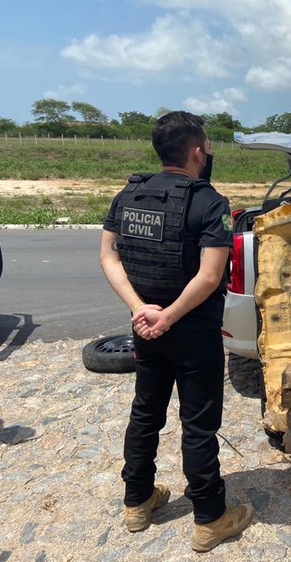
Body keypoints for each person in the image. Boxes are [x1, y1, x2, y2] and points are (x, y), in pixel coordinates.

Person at [100, 111, 252, 552]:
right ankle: (210, 517)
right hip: (192, 331)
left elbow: (108, 257)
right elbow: (209, 277)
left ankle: (137, 501)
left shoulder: (129, 195)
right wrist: (168, 316)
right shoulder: (210, 203)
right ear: (197, 152)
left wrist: (141, 311)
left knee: (146, 412)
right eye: (207, 148)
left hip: (145, 328)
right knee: (199, 423)